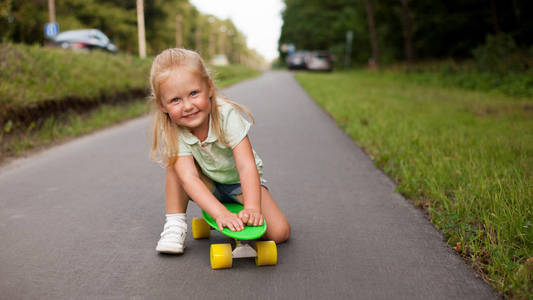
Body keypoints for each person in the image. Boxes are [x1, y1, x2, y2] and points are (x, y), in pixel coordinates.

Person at [149, 48, 290, 254]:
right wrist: (220, 213)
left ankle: (237, 210)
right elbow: (189, 179)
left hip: (238, 184)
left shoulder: (226, 115)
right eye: (175, 100)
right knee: (176, 168)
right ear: (162, 104)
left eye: (194, 93)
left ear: (209, 87)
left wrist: (252, 207)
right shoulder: (172, 127)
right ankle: (174, 225)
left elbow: (246, 165)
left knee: (280, 232)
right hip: (205, 183)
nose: (187, 106)